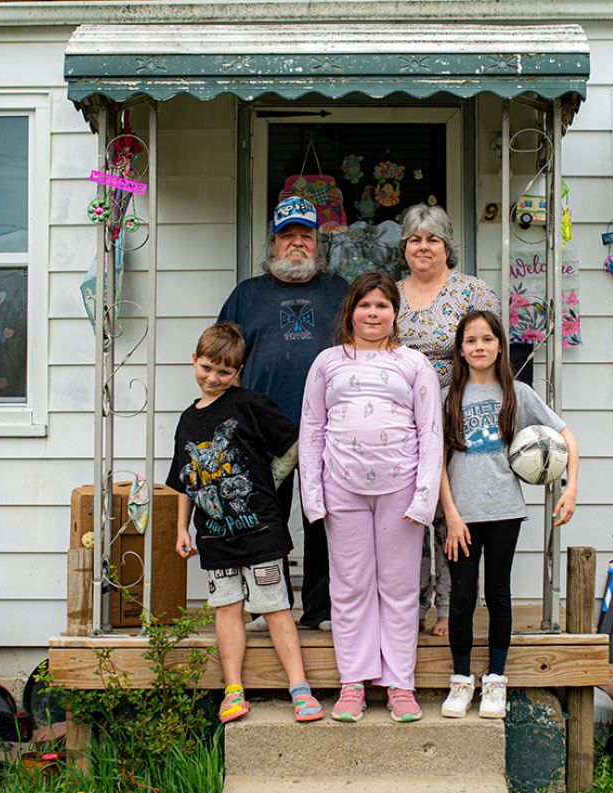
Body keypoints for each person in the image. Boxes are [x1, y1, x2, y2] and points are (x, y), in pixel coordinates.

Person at [299, 272, 442, 723]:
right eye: (365, 305)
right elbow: (311, 430)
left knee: (399, 590)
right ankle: (353, 682)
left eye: (382, 305)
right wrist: (313, 497)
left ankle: (400, 684)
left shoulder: (414, 364)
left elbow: (431, 433)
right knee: (351, 586)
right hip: (343, 488)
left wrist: (424, 497)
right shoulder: (327, 363)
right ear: (351, 311)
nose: (373, 313)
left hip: (400, 489)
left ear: (395, 312)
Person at [167, 322, 323, 725]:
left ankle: (300, 688)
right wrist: (181, 527)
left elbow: (295, 444)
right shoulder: (186, 421)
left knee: (275, 608)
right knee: (227, 609)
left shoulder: (251, 405)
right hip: (215, 537)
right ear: (194, 361)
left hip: (261, 532)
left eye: (224, 372)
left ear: (238, 372)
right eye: (206, 368)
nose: (213, 378)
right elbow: (184, 480)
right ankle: (233, 689)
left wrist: (268, 482)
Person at [437, 310, 579, 719]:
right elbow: (437, 461)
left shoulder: (518, 393)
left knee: (498, 593)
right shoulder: (450, 398)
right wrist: (450, 514)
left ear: (499, 345)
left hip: (504, 511)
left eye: (486, 339)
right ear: (460, 350)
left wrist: (571, 488)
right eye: (470, 341)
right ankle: (462, 680)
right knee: (462, 597)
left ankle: (496, 679)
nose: (479, 347)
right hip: (462, 516)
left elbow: (566, 435)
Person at [218, 196, 348, 632]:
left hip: (329, 427)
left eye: (305, 236)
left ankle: (321, 610)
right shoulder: (246, 295)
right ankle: (265, 608)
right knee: (264, 521)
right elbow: (223, 360)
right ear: (272, 244)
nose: (296, 244)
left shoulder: (340, 292)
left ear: (318, 243)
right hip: (261, 431)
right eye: (287, 236)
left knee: (324, 518)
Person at [395, 203, 500, 638]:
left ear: (446, 246)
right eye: (415, 239)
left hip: (458, 416)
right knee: (410, 512)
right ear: (404, 247)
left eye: (432, 239)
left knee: (451, 513)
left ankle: (449, 608)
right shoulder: (389, 294)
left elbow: (494, 356)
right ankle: (412, 603)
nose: (423, 247)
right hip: (400, 420)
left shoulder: (473, 293)